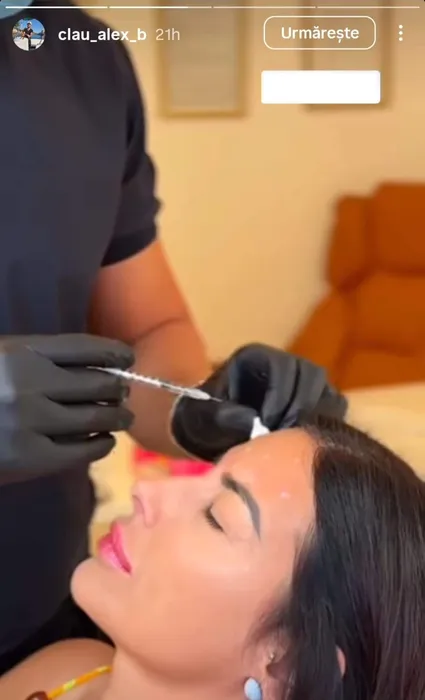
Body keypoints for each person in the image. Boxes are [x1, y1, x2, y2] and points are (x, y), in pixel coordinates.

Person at [0, 0, 347, 672]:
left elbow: (150, 332)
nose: (143, 492)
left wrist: (198, 406)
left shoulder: (82, 56)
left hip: (44, 606)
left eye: (220, 513)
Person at [1, 415, 424, 700]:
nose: (146, 491)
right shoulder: (70, 668)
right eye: (205, 473)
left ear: (285, 664)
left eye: (217, 517)